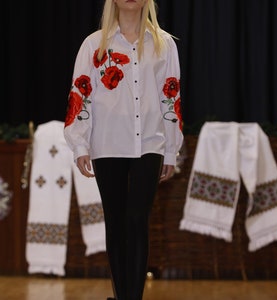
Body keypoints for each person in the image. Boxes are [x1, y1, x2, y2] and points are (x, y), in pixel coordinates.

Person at [64, 0, 183, 299]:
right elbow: (81, 93)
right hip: (108, 143)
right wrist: (80, 143)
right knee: (116, 220)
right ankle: (122, 295)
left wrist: (171, 149)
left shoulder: (164, 44)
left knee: (137, 219)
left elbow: (171, 96)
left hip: (150, 144)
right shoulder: (93, 45)